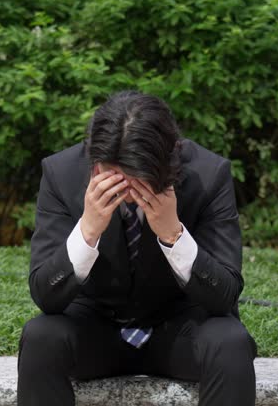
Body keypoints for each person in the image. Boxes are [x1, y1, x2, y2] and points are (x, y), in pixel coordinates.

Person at [17, 90, 257, 405]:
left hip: (180, 331)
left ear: (171, 157)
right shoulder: (62, 173)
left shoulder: (208, 175)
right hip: (95, 331)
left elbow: (225, 296)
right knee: (40, 336)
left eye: (137, 177)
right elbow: (45, 295)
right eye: (112, 174)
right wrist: (88, 230)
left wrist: (173, 233)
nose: (126, 189)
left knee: (231, 341)